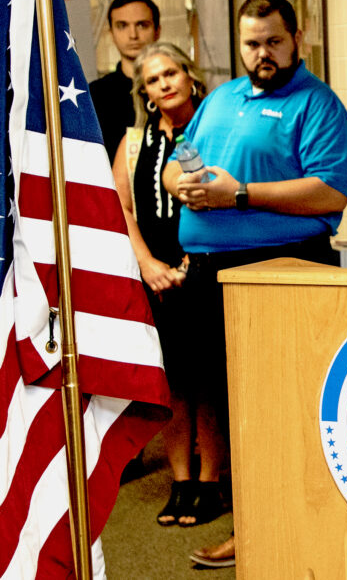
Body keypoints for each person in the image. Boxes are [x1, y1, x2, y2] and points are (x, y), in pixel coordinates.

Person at [163, 0, 347, 568]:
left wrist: (238, 193)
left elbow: (330, 190)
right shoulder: (221, 97)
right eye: (252, 43)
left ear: (297, 38)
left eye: (274, 41)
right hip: (208, 274)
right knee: (231, 406)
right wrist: (179, 183)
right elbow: (181, 154)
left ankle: (278, 530)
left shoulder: (317, 105)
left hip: (280, 271)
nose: (263, 53)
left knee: (282, 408)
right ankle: (253, 523)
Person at [111, 42, 221, 526]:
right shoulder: (135, 141)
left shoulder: (215, 127)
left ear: (189, 75)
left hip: (206, 269)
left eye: (172, 72)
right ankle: (180, 482)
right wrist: (147, 263)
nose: (165, 83)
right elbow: (121, 208)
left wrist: (186, 265)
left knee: (210, 382)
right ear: (146, 93)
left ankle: (211, 483)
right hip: (154, 278)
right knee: (173, 385)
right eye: (154, 80)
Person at [89, 0, 161, 163]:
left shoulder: (176, 87)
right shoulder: (96, 95)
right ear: (111, 33)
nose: (133, 35)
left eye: (142, 25)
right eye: (122, 25)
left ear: (157, 30)